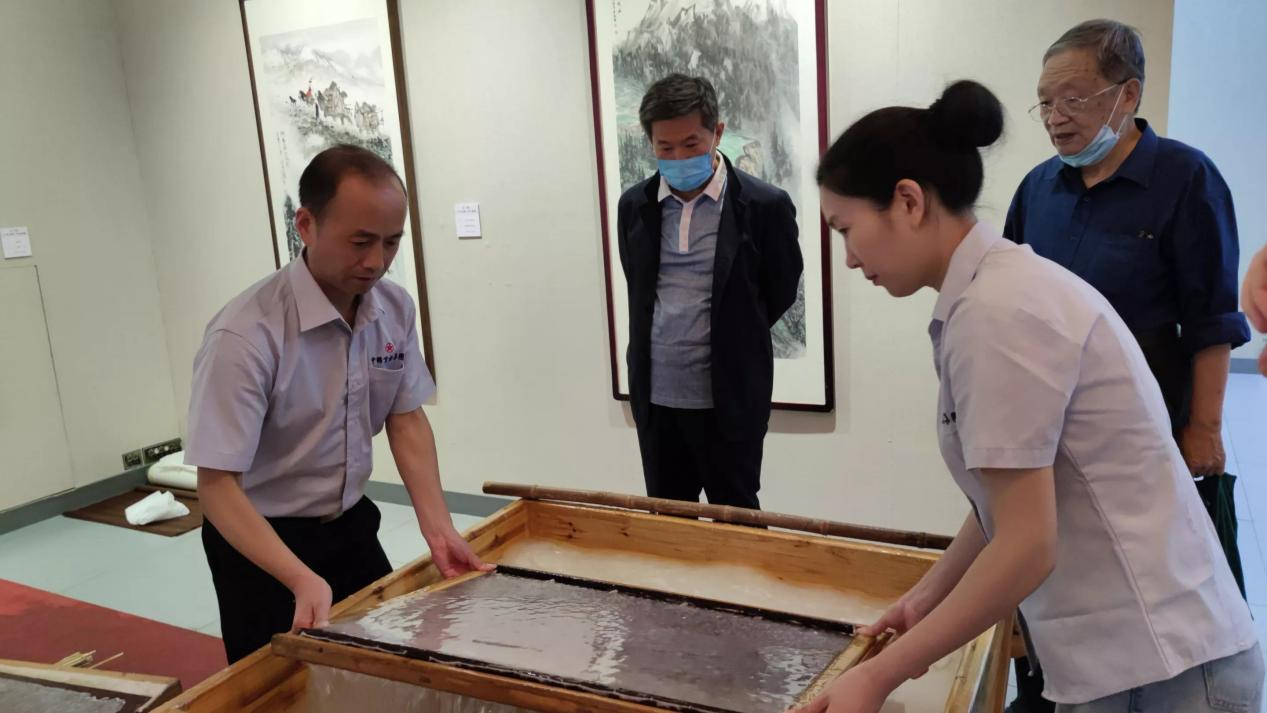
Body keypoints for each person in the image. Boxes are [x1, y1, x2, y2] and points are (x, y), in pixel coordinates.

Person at [793, 80, 1260, 713]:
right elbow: (1005, 494)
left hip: (1164, 665)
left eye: (846, 229)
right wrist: (924, 598)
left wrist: (879, 677)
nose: (849, 259)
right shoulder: (994, 291)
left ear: (908, 201)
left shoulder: (997, 313)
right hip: (1133, 659)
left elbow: (1026, 545)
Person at [1004, 20, 1251, 709]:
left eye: (1074, 99)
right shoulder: (1037, 190)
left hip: (1149, 436)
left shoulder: (1186, 179)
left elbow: (1211, 320)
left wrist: (1203, 427)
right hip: (1050, 437)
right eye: (1044, 102)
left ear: (1128, 94)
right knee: (1056, 589)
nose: (1055, 118)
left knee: (1147, 599)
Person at [186, 144, 488, 663]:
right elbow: (216, 486)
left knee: (382, 666)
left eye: (391, 242)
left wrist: (439, 529)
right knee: (280, 684)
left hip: (350, 524)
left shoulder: (393, 308)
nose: (376, 262)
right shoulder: (246, 334)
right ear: (306, 224)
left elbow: (405, 417)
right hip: (260, 540)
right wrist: (299, 577)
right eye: (360, 241)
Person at [616, 73, 803, 509]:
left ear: (717, 132)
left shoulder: (764, 206)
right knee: (668, 520)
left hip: (730, 401)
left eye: (691, 143)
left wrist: (734, 330)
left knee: (737, 520)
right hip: (657, 401)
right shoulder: (634, 206)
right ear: (650, 143)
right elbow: (639, 290)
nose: (678, 157)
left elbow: (780, 290)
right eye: (665, 148)